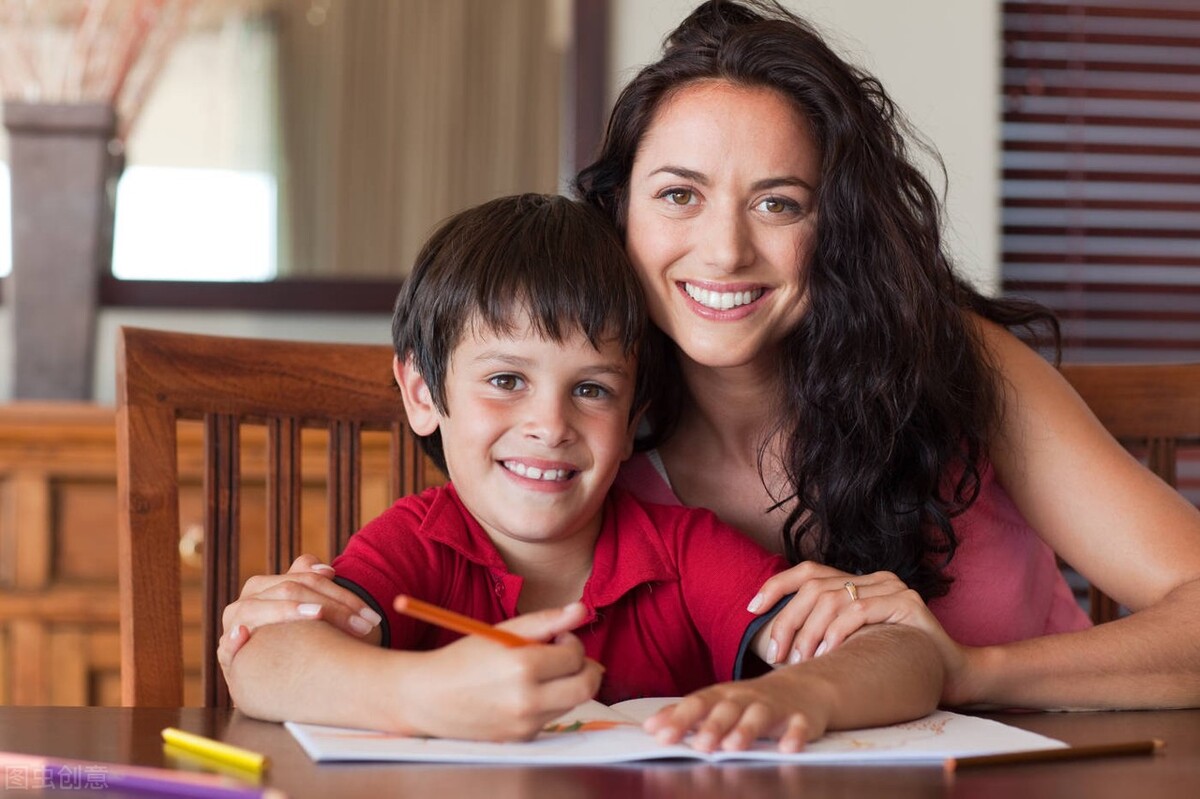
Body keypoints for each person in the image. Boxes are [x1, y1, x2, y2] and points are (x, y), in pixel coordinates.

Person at [223, 0, 1200, 713]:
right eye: (680, 195)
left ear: (837, 227)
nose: (725, 251)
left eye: (779, 202)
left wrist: (972, 670)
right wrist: (299, 626)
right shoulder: (587, 419)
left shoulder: (949, 367)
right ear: (619, 212)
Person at [223, 192, 942, 749]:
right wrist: (423, 693)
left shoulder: (683, 551)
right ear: (421, 393)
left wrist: (801, 694)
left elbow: (908, 655)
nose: (550, 424)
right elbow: (264, 660)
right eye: (506, 379)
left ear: (634, 419)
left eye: (592, 389)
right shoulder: (417, 541)